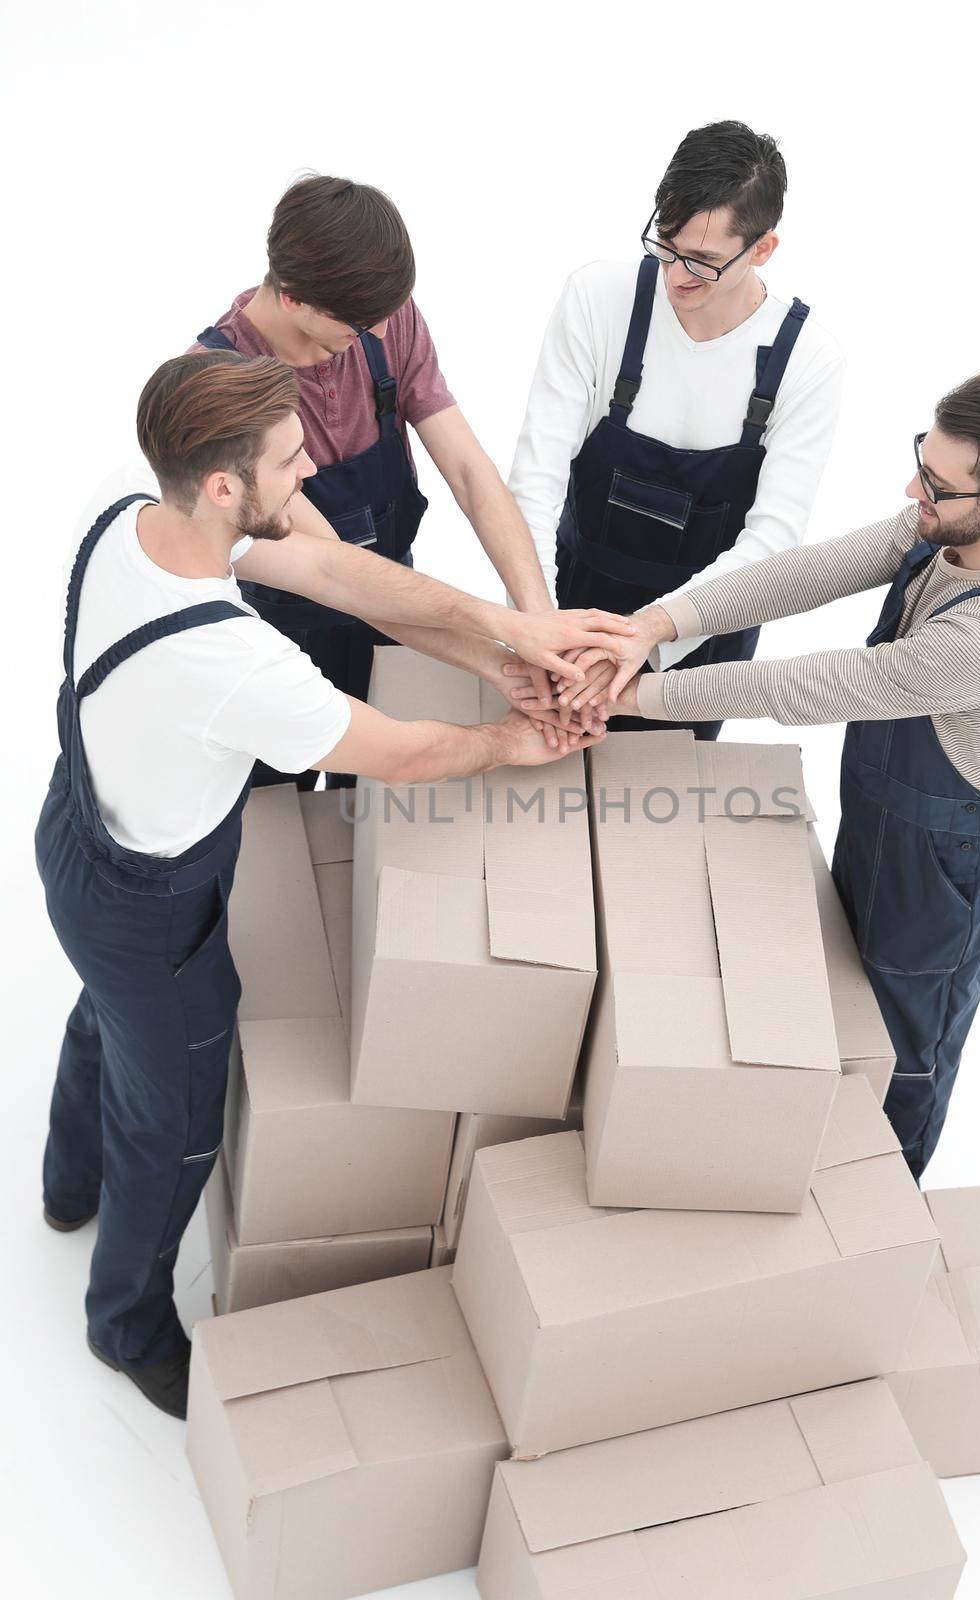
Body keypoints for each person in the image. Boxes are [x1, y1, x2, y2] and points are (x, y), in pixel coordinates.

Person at [37, 350, 623, 1418]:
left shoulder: (119, 512)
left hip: (76, 827)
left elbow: (335, 574)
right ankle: (124, 1322)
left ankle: (65, 1184)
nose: (308, 473)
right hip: (149, 903)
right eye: (288, 460)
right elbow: (399, 755)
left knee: (102, 1013)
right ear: (225, 487)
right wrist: (506, 744)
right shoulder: (234, 665)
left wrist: (506, 638)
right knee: (173, 1126)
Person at [528, 367, 980, 1180]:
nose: (910, 490)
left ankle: (875, 1207)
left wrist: (633, 693)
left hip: (942, 857)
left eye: (935, 484)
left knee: (901, 1044)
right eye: (920, 463)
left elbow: (804, 686)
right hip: (891, 809)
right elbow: (816, 569)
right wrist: (656, 625)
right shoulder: (955, 524)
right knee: (840, 998)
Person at [194, 173, 560, 783]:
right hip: (281, 629)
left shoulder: (381, 316)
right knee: (275, 812)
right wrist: (505, 656)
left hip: (395, 599)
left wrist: (537, 619)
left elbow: (470, 472)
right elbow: (337, 573)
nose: (385, 335)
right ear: (293, 299)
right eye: (362, 327)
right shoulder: (217, 388)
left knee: (371, 798)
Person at [508, 120, 844, 739]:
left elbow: (771, 543)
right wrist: (538, 630)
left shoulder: (807, 360)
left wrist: (645, 644)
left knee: (660, 828)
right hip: (574, 611)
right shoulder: (598, 299)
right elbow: (536, 475)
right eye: (665, 246)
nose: (676, 275)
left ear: (763, 249)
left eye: (704, 261)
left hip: (702, 643)